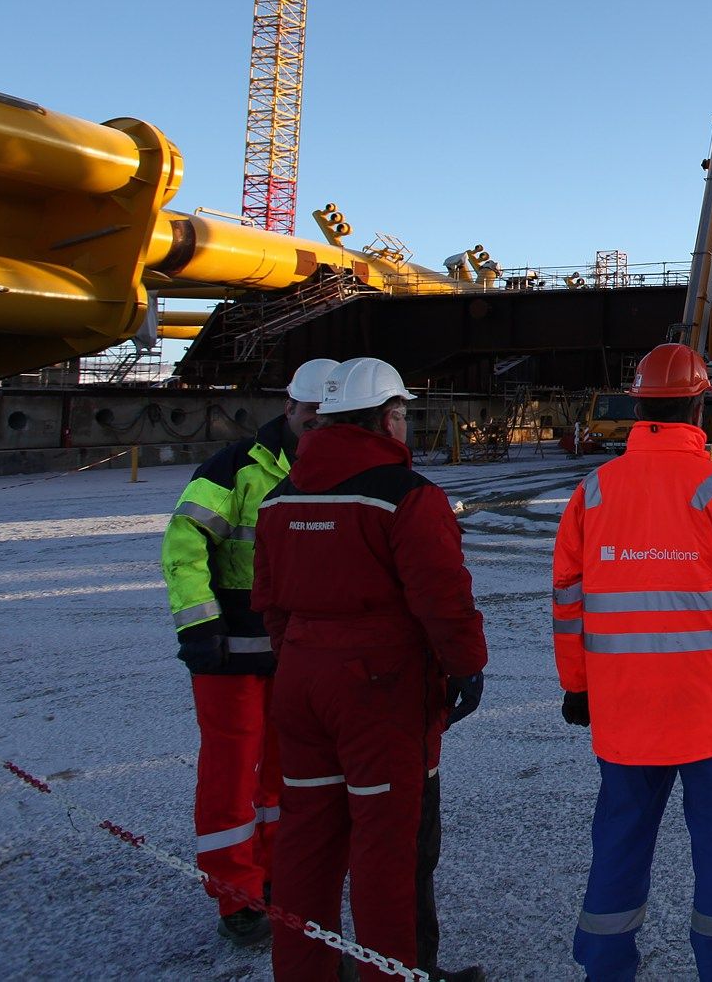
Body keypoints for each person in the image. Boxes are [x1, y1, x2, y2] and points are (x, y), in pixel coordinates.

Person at [553, 343, 712, 982]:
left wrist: (578, 688)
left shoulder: (593, 491)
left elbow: (569, 602)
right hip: (711, 718)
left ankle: (606, 969)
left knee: (618, 847)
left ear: (637, 406)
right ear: (699, 404)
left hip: (624, 715)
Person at [253, 357, 487, 982]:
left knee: (307, 841)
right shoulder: (405, 497)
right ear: (387, 419)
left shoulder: (280, 498)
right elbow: (443, 597)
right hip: (378, 690)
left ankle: (303, 973)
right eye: (404, 415)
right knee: (387, 848)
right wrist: (466, 668)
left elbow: (269, 602)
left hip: (301, 682)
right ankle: (394, 975)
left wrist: (302, 655)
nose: (406, 427)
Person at [161, 356, 339, 949]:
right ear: (289, 407)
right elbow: (184, 545)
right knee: (231, 773)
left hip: (292, 653)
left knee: (285, 774)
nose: (315, 425)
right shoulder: (234, 468)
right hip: (229, 651)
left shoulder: (331, 469)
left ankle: (273, 876)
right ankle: (235, 896)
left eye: (326, 416)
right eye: (309, 414)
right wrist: (198, 626)